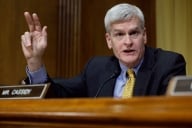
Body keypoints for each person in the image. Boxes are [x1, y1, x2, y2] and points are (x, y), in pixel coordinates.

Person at [21, 3, 186, 98]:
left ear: (144, 36)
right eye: (119, 35)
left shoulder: (168, 64)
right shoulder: (97, 68)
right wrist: (35, 61)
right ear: (109, 40)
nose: (127, 42)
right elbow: (57, 95)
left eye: (134, 33)